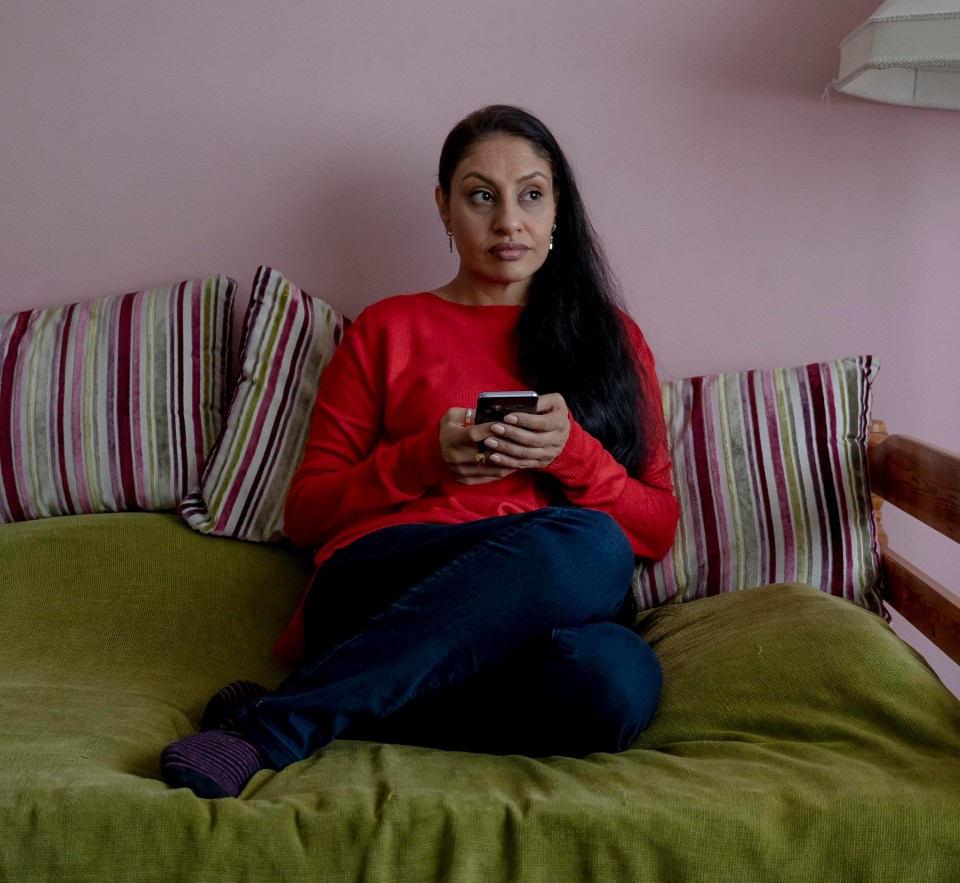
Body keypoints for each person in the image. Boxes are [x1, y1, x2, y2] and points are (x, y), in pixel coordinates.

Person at [160, 104, 680, 799]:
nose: (507, 221)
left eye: (531, 194)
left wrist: (573, 454)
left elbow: (657, 527)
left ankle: (321, 700)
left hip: (540, 616)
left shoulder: (612, 340)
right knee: (587, 544)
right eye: (479, 196)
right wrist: (424, 461)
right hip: (386, 585)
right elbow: (308, 514)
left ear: (559, 207)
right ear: (444, 206)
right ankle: (272, 730)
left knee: (616, 679)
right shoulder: (387, 328)